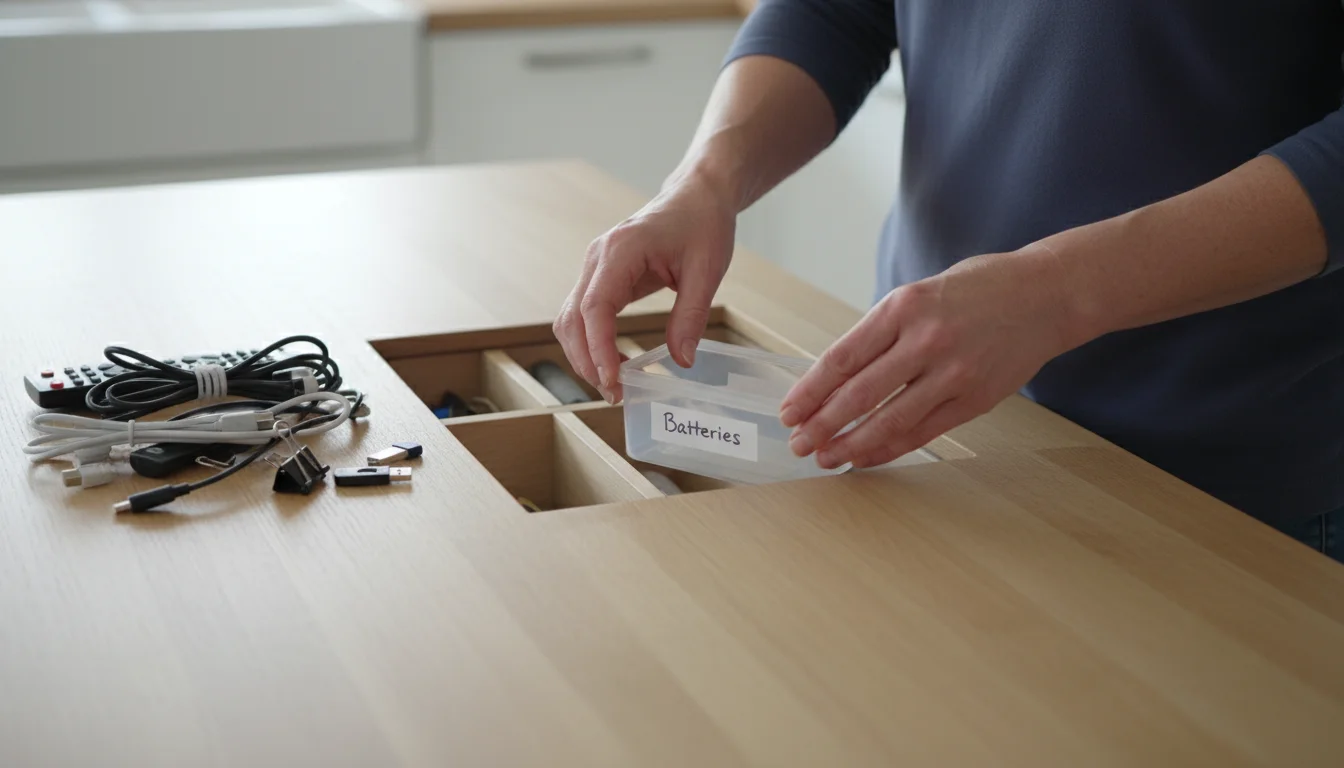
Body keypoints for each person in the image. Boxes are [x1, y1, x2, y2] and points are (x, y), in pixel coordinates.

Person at [553, 1, 1344, 561]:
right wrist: (705, 180)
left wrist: (1058, 290)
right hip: (926, 428)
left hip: (1220, 482)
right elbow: (836, 11)